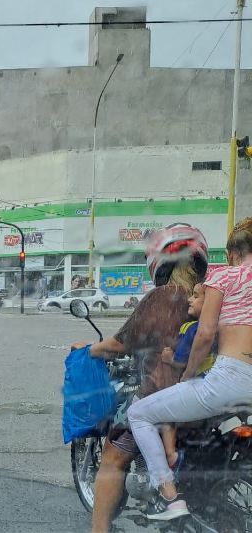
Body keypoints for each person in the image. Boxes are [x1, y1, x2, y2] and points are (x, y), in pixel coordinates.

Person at [75, 223, 208, 533]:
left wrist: (88, 349)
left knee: (111, 457)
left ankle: (99, 530)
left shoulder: (162, 296)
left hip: (162, 394)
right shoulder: (211, 297)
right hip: (207, 395)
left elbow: (120, 344)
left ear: (159, 262)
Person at [128, 218, 252, 521]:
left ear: (233, 253)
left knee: (139, 413)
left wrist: (188, 375)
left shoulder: (225, 277)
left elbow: (205, 333)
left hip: (230, 379)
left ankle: (169, 495)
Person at [156, 282, 216, 473]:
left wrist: (168, 358)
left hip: (195, 385)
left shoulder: (192, 328)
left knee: (163, 410)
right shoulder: (220, 327)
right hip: (214, 385)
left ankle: (171, 455)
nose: (190, 299)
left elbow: (181, 360)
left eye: (196, 296)